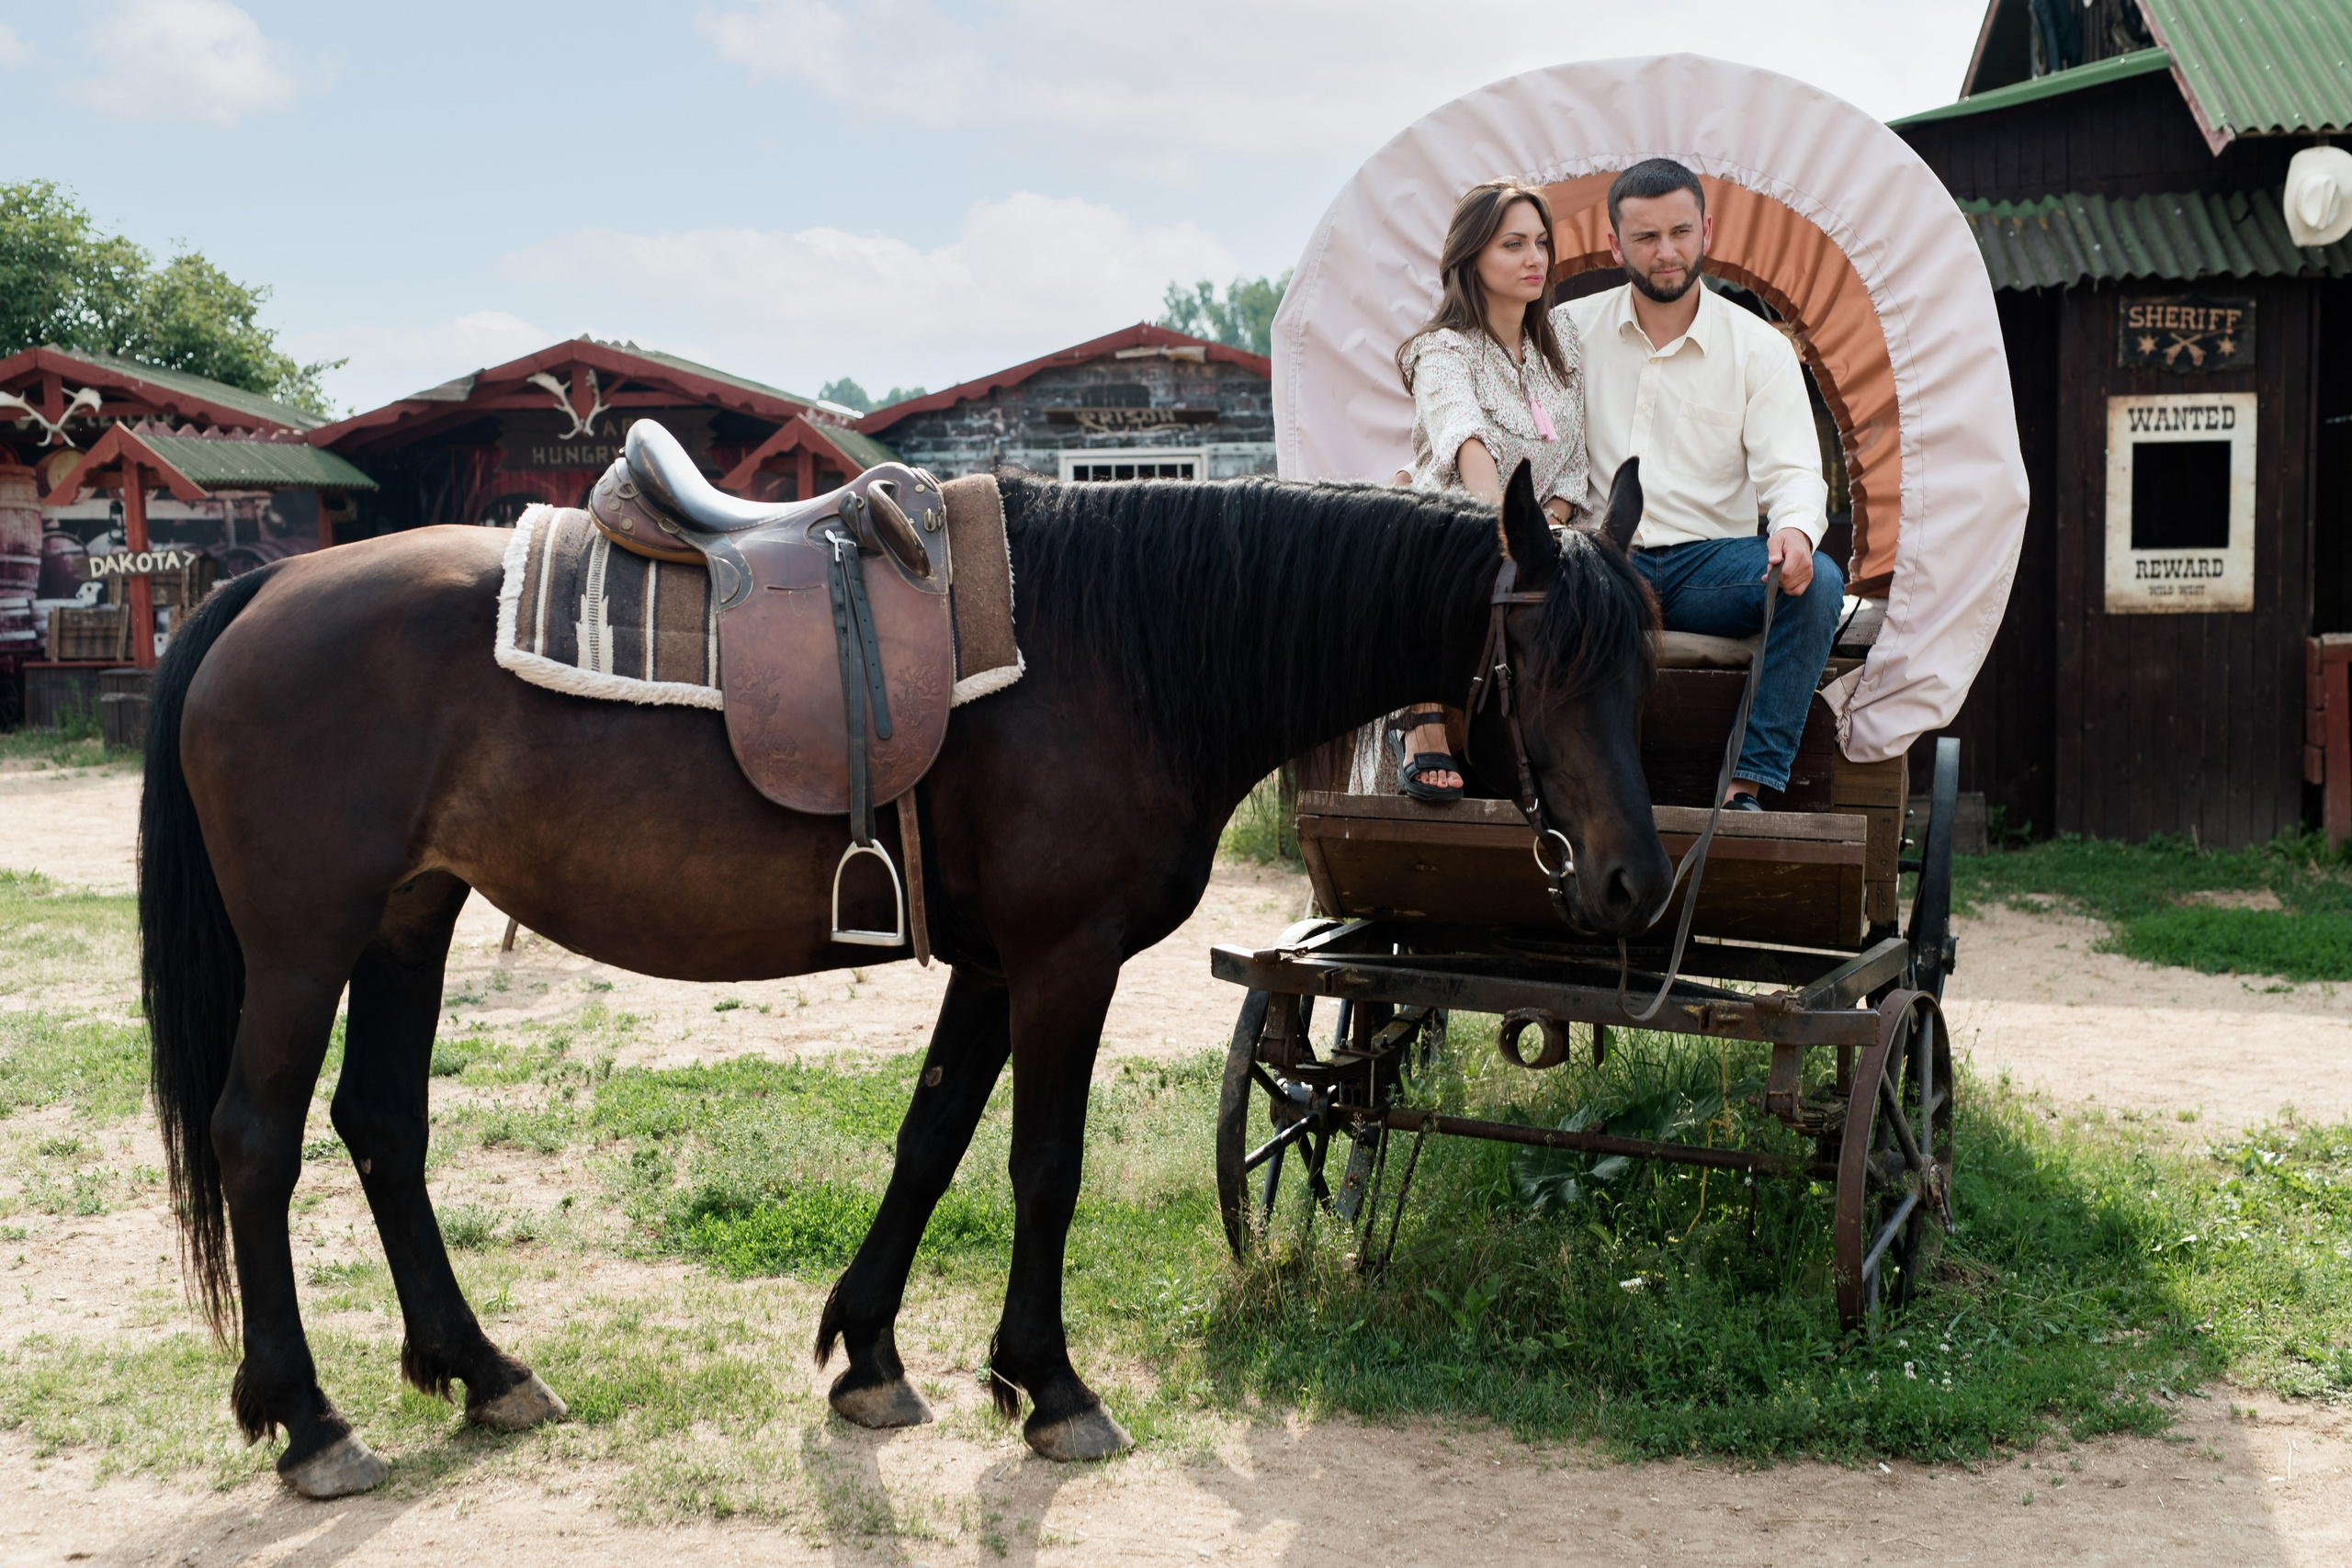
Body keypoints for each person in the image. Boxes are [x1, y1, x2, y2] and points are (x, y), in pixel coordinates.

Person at [1567, 158, 1840, 810]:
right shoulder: (1567, 333)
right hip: (1600, 566)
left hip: (1706, 570)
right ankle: (1566, 784)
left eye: (1680, 232)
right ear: (1615, 244)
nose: (1667, 253)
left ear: (1706, 231)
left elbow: (1793, 469)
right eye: (1646, 237)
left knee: (1819, 582)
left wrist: (1795, 533)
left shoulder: (1757, 347)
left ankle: (1747, 782)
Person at [1384, 177, 1589, 800]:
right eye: (1513, 245)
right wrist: (1509, 535)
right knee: (1424, 558)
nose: (1535, 259)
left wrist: (1546, 529)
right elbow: (1468, 445)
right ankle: (1418, 722)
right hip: (1460, 532)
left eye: (1541, 243)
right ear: (1471, 257)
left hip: (1544, 537)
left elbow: (1573, 466)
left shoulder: (1563, 345)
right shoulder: (1440, 349)